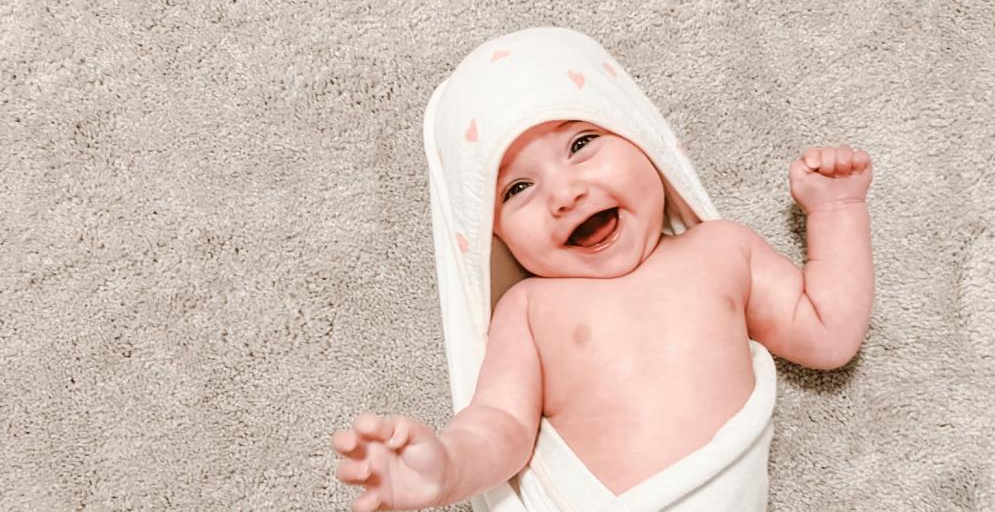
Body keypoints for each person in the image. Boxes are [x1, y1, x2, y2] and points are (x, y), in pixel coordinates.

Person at [331, 27, 874, 512]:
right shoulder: (529, 308)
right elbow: (501, 424)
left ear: (640, 137)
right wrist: (446, 468)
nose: (565, 194)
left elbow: (827, 334)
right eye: (518, 188)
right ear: (492, 234)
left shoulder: (722, 250)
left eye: (581, 143)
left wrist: (836, 212)